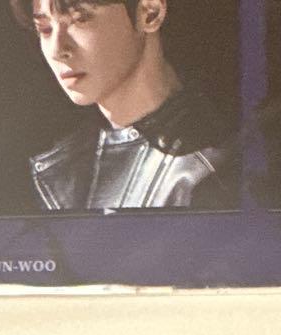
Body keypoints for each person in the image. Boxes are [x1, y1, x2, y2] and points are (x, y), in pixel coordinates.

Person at [12, 0, 234, 210]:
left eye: (81, 19)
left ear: (150, 13)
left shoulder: (207, 173)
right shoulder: (64, 164)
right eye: (45, 29)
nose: (57, 50)